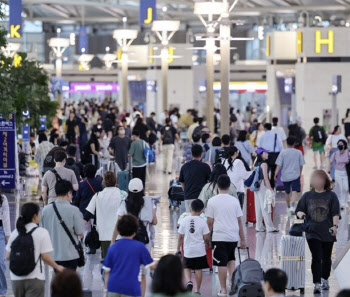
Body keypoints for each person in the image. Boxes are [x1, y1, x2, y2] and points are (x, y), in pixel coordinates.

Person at [296, 170, 340, 294]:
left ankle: (325, 279)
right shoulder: (307, 195)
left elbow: (335, 213)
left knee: (326, 258)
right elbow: (298, 210)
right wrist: (301, 214)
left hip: (328, 232)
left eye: (320, 179)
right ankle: (316, 283)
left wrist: (335, 226)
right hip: (312, 232)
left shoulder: (331, 196)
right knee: (317, 257)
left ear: (325, 181)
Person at [6, 203, 64, 297]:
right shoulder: (42, 232)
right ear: (35, 216)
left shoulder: (15, 233)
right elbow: (45, 257)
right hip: (35, 278)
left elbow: (8, 256)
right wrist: (57, 267)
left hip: (16, 278)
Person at [113, 178, 158, 297]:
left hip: (128, 241)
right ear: (142, 189)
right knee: (143, 273)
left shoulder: (124, 203)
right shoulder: (149, 202)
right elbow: (154, 221)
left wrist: (113, 241)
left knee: (129, 271)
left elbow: (118, 224)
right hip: (144, 242)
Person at [206, 175, 246, 296]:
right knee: (231, 260)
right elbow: (239, 221)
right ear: (229, 187)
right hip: (233, 237)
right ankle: (232, 285)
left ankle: (223, 290)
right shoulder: (235, 200)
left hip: (219, 236)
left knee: (221, 263)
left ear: (217, 186)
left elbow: (210, 222)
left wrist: (207, 237)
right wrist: (243, 239)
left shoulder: (212, 201)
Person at [104, 215, 154, 297]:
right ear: (135, 230)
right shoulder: (140, 247)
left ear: (119, 230)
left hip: (113, 287)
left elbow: (107, 272)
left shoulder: (112, 248)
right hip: (131, 288)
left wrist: (106, 292)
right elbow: (152, 266)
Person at [41, 180, 84, 270]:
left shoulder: (46, 210)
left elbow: (42, 232)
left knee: (59, 281)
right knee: (69, 281)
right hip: (71, 254)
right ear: (69, 193)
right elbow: (80, 232)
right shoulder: (74, 210)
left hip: (54, 255)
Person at [85, 171, 127, 258]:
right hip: (121, 234)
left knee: (107, 262)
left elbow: (88, 214)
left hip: (104, 235)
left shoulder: (97, 195)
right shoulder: (123, 194)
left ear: (103, 183)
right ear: (116, 182)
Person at [177, 200, 209, 294]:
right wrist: (207, 244)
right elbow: (206, 237)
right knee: (198, 269)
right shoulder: (203, 221)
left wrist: (178, 248)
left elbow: (180, 237)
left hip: (188, 250)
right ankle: (197, 290)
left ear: (191, 209)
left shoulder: (184, 221)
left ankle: (189, 282)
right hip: (200, 250)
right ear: (202, 210)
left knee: (187, 267)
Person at [275, 136, 305, 215]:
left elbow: (279, 164)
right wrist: (300, 172)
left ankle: (288, 207)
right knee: (294, 191)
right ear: (294, 143)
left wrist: (275, 174)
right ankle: (292, 206)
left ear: (287, 143)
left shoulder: (283, 152)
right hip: (295, 175)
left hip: (285, 176)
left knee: (287, 192)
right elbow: (301, 164)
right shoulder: (298, 152)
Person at [179, 145, 211, 212]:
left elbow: (182, 182)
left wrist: (186, 191)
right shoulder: (205, 167)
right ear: (201, 154)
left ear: (191, 153)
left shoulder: (184, 167)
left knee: (190, 218)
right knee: (201, 219)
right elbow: (210, 183)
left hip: (188, 197)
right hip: (202, 198)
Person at [253, 148, 278, 233]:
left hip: (256, 186)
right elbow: (266, 178)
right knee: (265, 207)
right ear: (261, 154)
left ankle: (259, 226)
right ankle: (270, 227)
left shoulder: (255, 163)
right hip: (262, 185)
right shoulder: (264, 164)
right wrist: (270, 189)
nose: (267, 154)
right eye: (265, 153)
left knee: (258, 207)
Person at [259, 123, 283, 189]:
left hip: (264, 155)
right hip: (274, 155)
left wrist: (259, 156)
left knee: (265, 171)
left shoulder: (262, 136)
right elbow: (280, 146)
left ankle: (265, 186)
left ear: (265, 128)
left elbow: (259, 147)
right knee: (273, 171)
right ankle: (272, 186)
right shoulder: (276, 135)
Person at [329, 139, 350, 209]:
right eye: (338, 144)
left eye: (341, 144)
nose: (340, 146)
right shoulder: (336, 153)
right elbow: (331, 162)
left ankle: (346, 199)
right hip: (337, 172)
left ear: (344, 145)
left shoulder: (348, 153)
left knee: (346, 188)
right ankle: (342, 203)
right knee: (340, 188)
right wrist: (328, 171)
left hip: (345, 173)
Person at [0, 188, 11, 297]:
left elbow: (6, 218)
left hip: (0, 231)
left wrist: (8, 235)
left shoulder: (3, 199)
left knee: (1, 262)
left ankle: (2, 290)